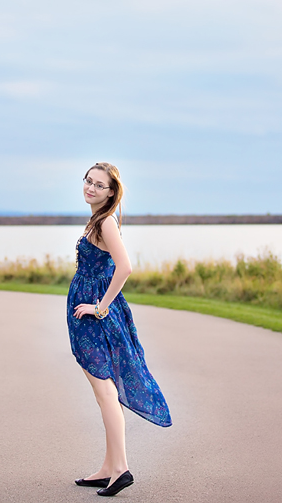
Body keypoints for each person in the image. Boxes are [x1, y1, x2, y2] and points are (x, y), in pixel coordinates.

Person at [67, 162, 172, 497]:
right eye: (88, 181)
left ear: (111, 192)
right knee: (103, 393)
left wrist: (100, 307)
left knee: (105, 392)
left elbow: (125, 266)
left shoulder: (106, 222)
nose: (91, 188)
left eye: (99, 185)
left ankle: (121, 468)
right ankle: (107, 468)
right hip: (88, 317)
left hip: (95, 319)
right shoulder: (98, 219)